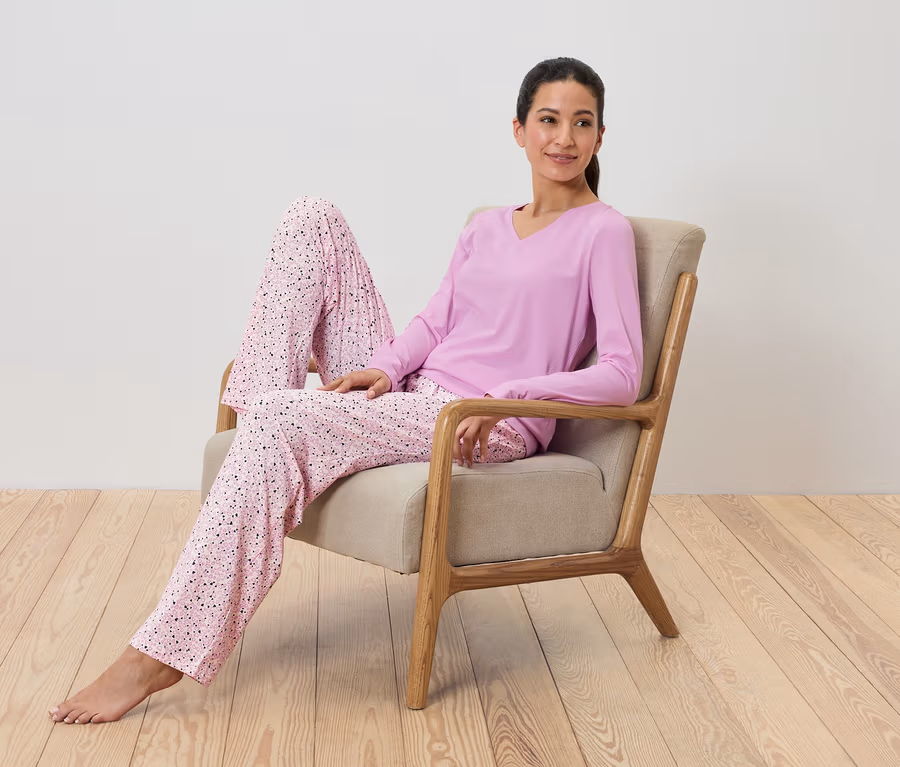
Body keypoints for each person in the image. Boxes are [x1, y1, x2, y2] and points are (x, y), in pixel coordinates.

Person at [48, 55, 642, 724]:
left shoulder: (604, 231)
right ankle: (264, 435)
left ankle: (160, 651)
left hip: (480, 419)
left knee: (280, 418)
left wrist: (518, 394)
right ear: (519, 130)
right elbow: (435, 322)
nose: (564, 138)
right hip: (413, 391)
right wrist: (385, 367)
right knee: (312, 218)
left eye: (581, 123)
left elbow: (623, 375)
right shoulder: (485, 225)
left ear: (600, 136)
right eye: (549, 120)